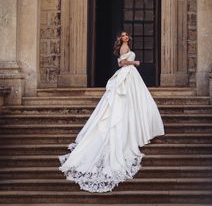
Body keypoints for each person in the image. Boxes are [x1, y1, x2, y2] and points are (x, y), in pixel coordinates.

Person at [58, 31, 165, 193]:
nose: (126, 37)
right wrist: (135, 62)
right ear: (120, 39)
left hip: (130, 76)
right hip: (127, 74)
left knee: (134, 100)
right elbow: (122, 63)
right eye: (123, 36)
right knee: (124, 101)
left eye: (127, 35)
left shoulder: (126, 46)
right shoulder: (124, 48)